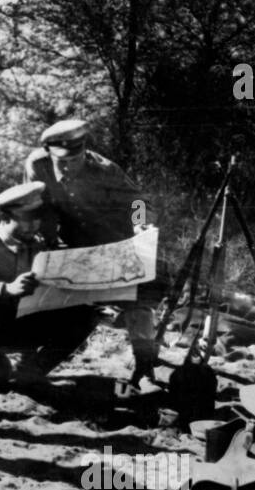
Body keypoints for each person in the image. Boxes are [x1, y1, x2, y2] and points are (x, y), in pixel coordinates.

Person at [0, 182, 101, 418]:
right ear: (6, 218)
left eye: (37, 217)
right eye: (27, 218)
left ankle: (29, 373)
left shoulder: (40, 247)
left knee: (85, 313)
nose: (34, 224)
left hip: (21, 324)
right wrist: (5, 289)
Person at [23, 119, 159, 385]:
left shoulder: (106, 170)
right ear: (48, 152)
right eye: (61, 161)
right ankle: (32, 364)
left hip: (111, 242)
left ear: (84, 150)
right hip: (68, 245)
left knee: (137, 300)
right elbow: (35, 204)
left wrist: (141, 223)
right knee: (47, 298)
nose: (68, 166)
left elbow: (139, 201)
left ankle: (145, 365)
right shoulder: (37, 165)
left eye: (75, 159)